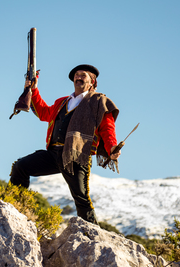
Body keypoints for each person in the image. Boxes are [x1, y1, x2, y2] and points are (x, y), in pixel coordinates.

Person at [9, 64, 120, 224]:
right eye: (76, 75)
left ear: (92, 81)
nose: (78, 77)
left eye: (83, 75)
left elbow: (107, 128)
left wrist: (112, 148)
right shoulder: (62, 102)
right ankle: (13, 208)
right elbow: (43, 113)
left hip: (76, 156)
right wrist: (33, 90)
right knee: (20, 167)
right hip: (53, 154)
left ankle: (92, 236)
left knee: (81, 198)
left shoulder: (98, 102)